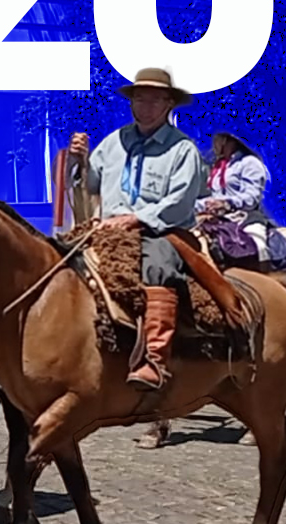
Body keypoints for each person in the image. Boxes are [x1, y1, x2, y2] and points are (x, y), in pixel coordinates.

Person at [67, 67, 206, 392]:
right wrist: (79, 162)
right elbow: (88, 184)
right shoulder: (115, 142)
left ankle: (154, 359)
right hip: (109, 230)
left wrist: (136, 219)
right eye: (139, 98)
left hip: (161, 231)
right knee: (61, 260)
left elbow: (181, 201)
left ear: (169, 104)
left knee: (157, 267)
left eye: (153, 99)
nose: (144, 105)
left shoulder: (182, 149)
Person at [196, 132, 286, 273]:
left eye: (217, 139)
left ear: (228, 141)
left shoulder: (249, 163)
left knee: (260, 246)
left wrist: (227, 203)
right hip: (219, 219)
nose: (213, 144)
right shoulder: (219, 166)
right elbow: (213, 198)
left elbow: (252, 197)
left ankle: (267, 279)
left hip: (246, 218)